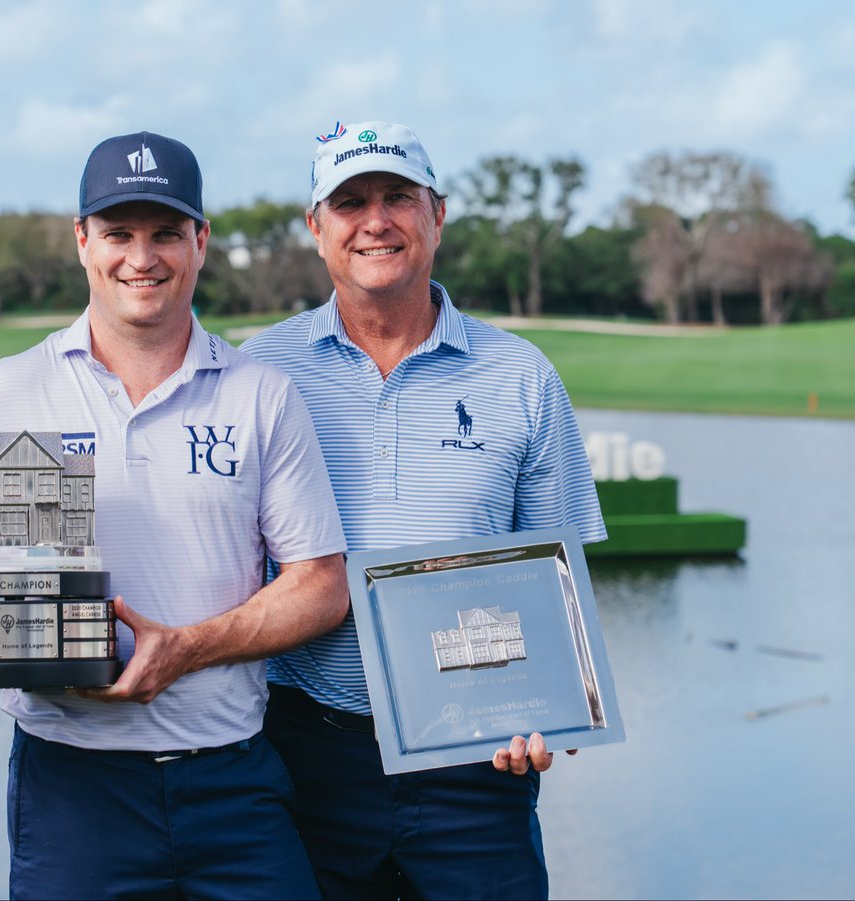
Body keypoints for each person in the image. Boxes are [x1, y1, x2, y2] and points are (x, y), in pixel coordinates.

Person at [0, 130, 350, 900]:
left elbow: (322, 583)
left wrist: (184, 649)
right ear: (82, 240)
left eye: (165, 233)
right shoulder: (11, 390)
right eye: (119, 233)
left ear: (201, 241)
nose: (141, 257)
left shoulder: (261, 394)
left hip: (231, 778)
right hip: (72, 789)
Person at [240, 120, 607, 901]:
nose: (376, 220)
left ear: (437, 215)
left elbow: (562, 580)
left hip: (477, 762)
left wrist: (554, 709)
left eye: (397, 197)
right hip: (304, 752)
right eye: (349, 202)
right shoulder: (259, 371)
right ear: (316, 229)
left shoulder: (522, 376)